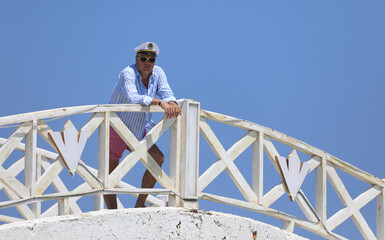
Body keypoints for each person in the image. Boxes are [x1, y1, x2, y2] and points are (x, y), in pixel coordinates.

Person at [105, 42, 181, 209]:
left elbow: (167, 92)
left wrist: (173, 103)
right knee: (110, 176)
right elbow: (133, 97)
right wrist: (161, 103)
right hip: (117, 128)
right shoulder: (127, 73)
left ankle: (140, 203)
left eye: (151, 59)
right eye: (143, 58)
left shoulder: (158, 72)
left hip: (139, 129)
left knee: (158, 159)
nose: (147, 62)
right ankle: (113, 214)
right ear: (136, 59)